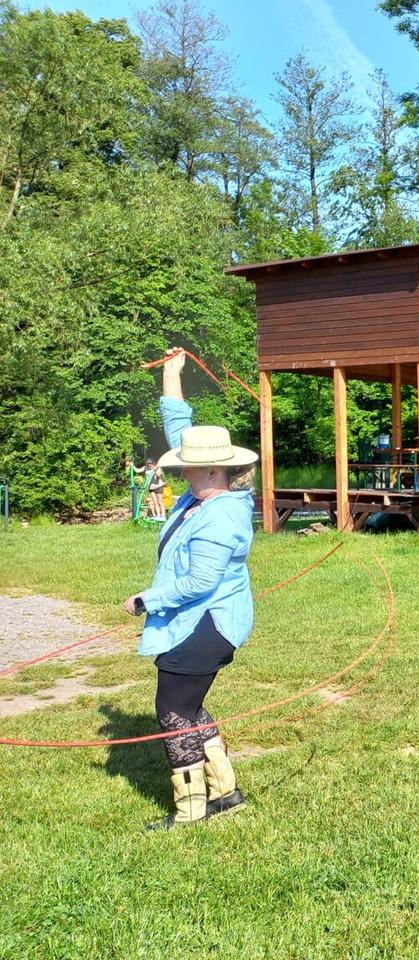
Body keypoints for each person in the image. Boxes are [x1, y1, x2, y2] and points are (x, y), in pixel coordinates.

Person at [122, 348, 257, 830]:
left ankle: (192, 809)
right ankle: (225, 794)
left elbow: (200, 581)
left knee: (174, 710)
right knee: (190, 705)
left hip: (207, 624)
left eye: (189, 467)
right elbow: (182, 431)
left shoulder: (221, 515)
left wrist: (146, 600)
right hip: (198, 621)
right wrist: (171, 377)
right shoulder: (203, 493)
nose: (181, 469)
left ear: (215, 471)